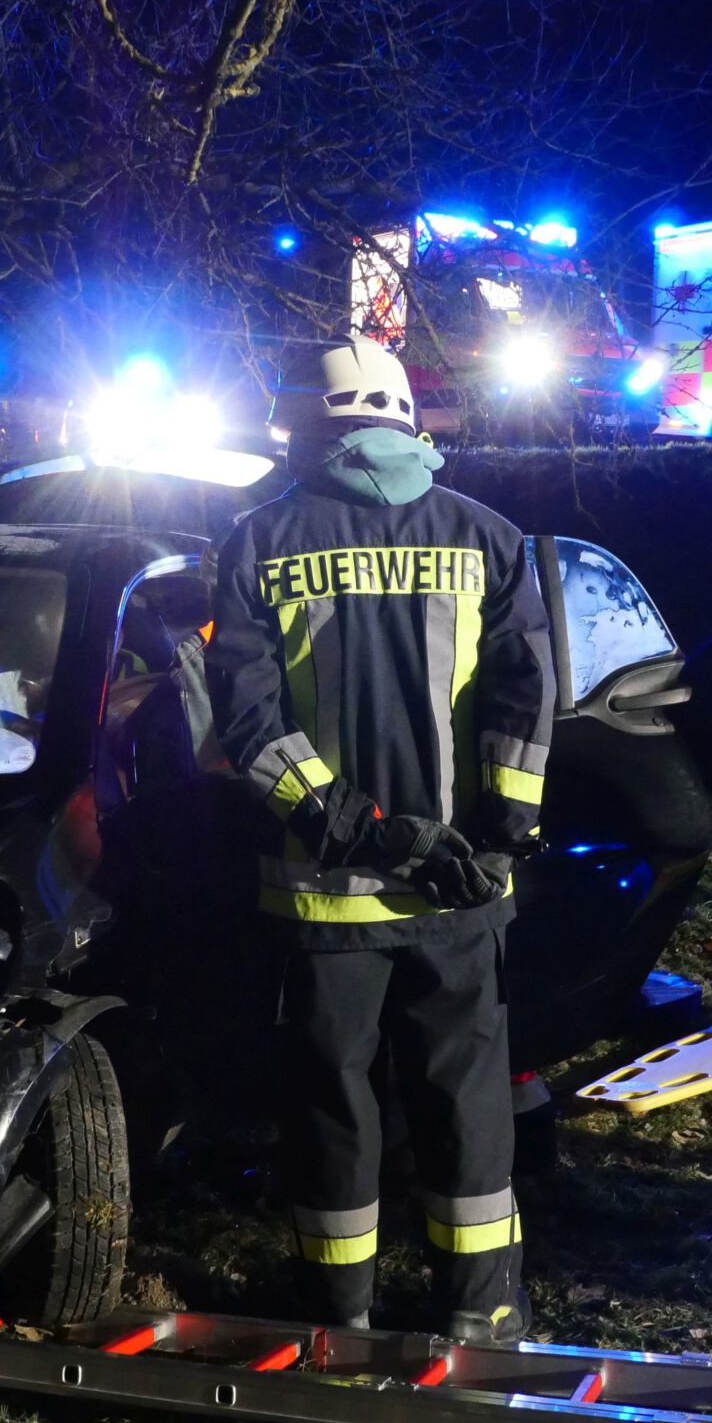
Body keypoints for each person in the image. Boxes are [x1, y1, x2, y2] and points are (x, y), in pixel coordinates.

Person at [205, 333, 554, 1339]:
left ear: (301, 427)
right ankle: (480, 1313)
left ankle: (336, 1314)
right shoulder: (489, 536)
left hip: (325, 897)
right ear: (407, 418)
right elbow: (526, 701)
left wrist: (360, 830)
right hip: (462, 891)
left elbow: (249, 726)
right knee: (465, 1097)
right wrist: (498, 836)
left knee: (332, 1103)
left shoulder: (257, 541)